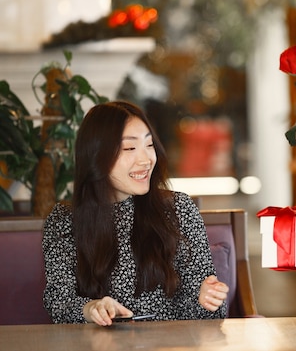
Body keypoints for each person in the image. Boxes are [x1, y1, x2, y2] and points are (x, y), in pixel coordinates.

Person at [43, 101, 229, 326]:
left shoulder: (179, 209)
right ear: (96, 155)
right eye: (129, 148)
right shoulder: (65, 220)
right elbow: (59, 303)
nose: (146, 159)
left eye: (149, 145)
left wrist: (207, 300)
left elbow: (207, 314)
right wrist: (89, 308)